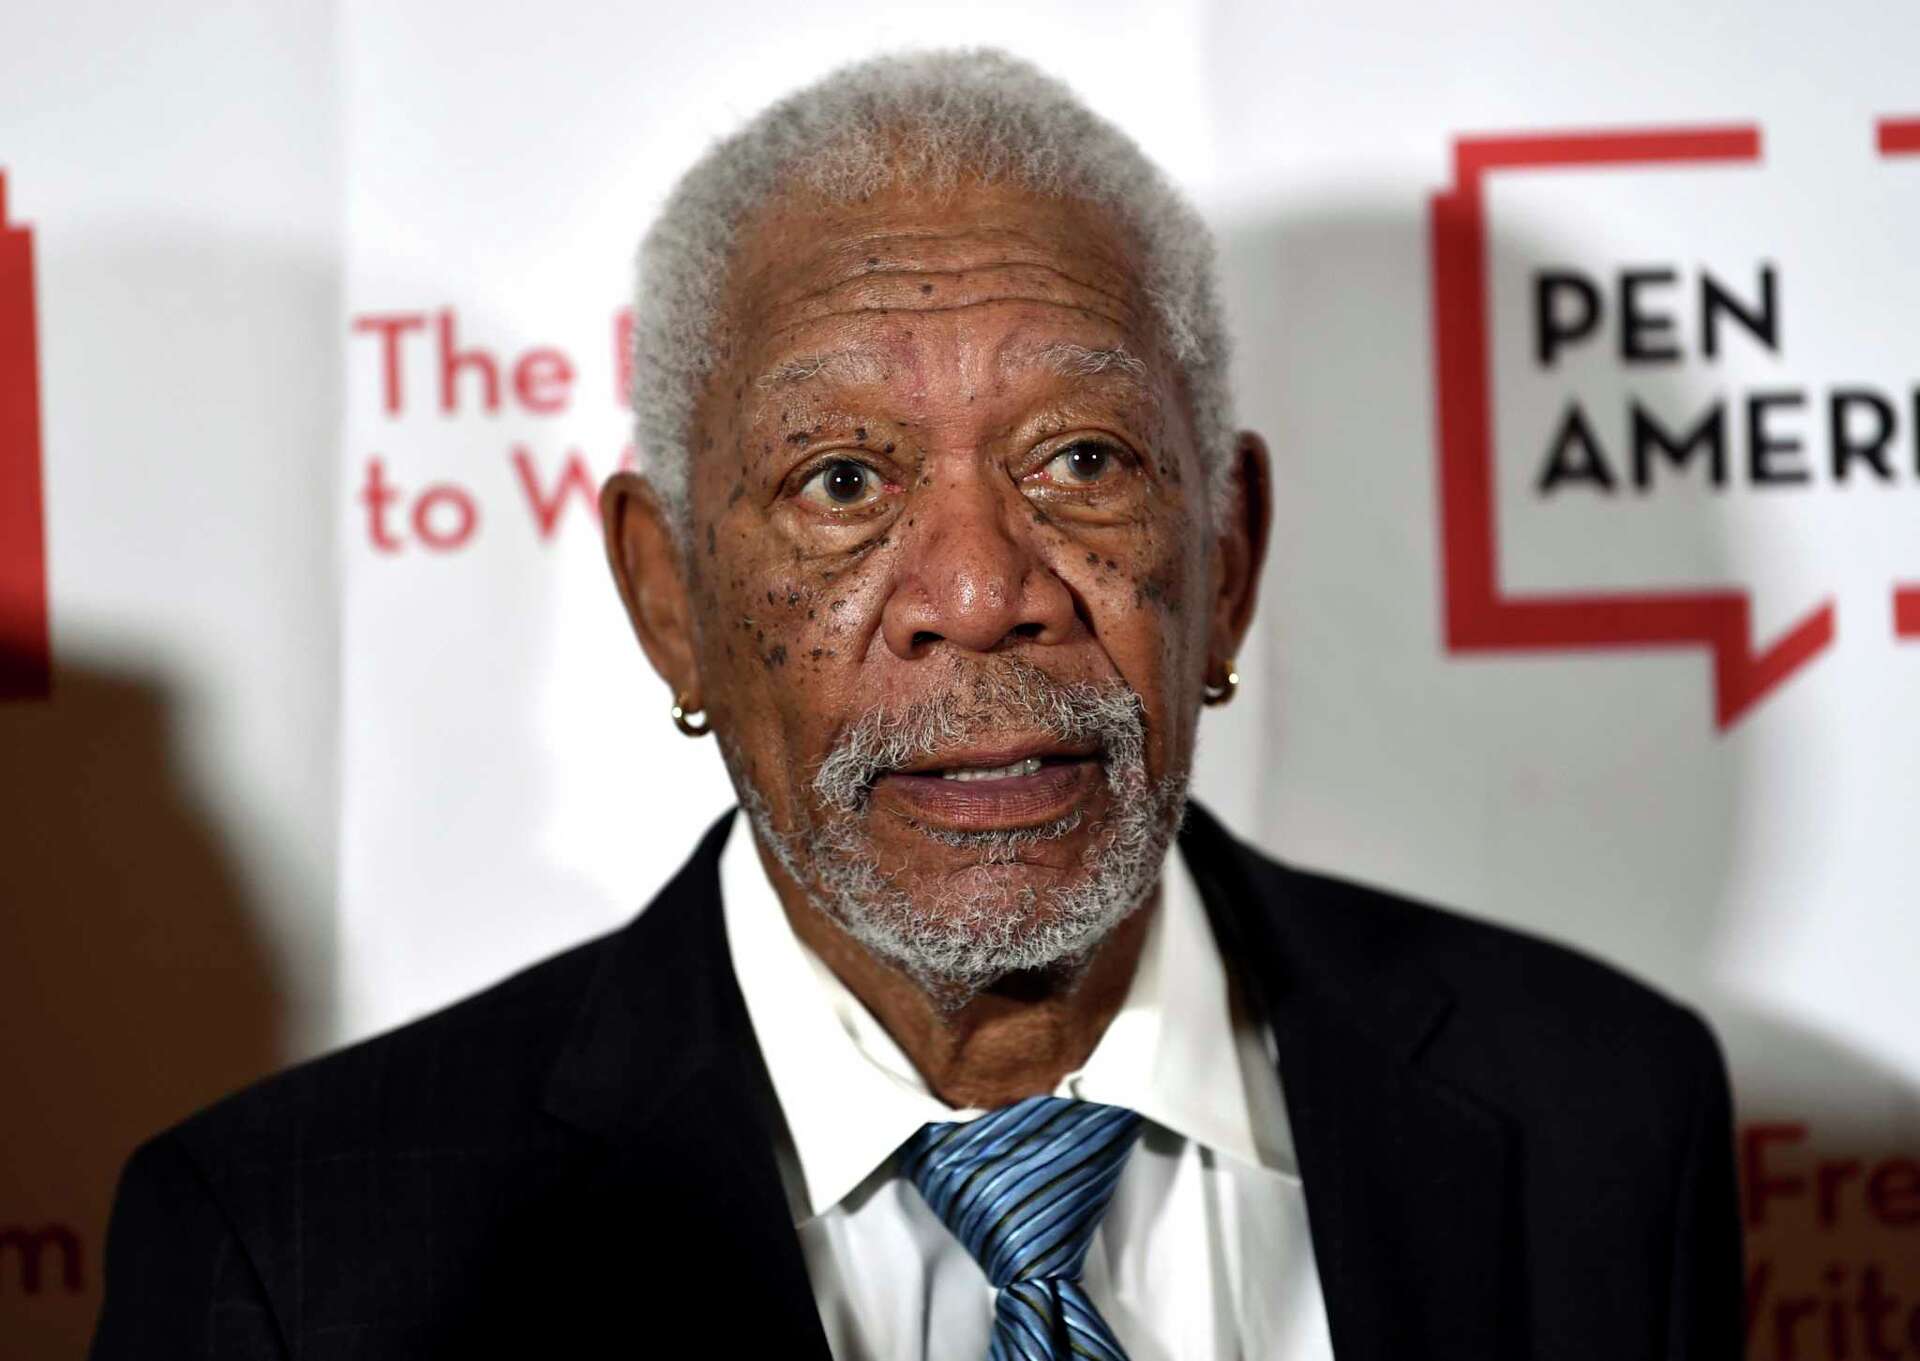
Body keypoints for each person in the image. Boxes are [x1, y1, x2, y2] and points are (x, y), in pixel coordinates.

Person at [92, 49, 1742, 1360]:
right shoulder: (298, 1263)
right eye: (842, 479)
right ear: (669, 600)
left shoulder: (1600, 1117)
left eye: (1080, 458)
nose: (979, 588)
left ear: (1227, 555)